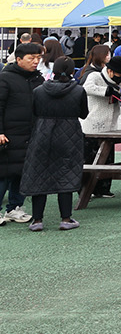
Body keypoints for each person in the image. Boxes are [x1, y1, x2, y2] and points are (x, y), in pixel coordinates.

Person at [20, 56, 88, 230]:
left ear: (54, 70)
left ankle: (37, 220)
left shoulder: (39, 90)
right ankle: (66, 218)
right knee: (66, 174)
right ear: (72, 71)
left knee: (39, 173)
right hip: (69, 133)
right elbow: (83, 114)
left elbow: (34, 112)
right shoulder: (78, 91)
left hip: (43, 132)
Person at [0, 42, 43, 225]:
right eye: (31, 58)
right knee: (4, 174)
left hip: (30, 134)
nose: (36, 61)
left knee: (23, 172)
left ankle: (15, 208)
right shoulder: (5, 78)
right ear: (18, 59)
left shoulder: (38, 79)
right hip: (8, 135)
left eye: (38, 58)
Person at [80, 55, 121, 200]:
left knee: (108, 158)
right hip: (92, 126)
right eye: (119, 74)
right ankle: (84, 189)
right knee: (89, 159)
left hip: (111, 126)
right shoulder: (95, 76)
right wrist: (106, 91)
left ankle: (103, 189)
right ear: (110, 71)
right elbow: (86, 88)